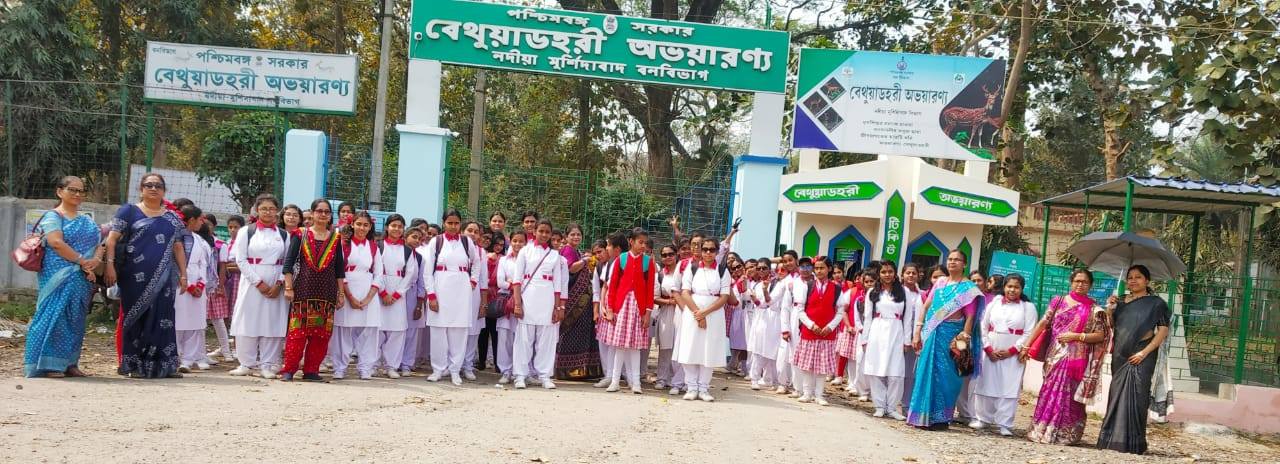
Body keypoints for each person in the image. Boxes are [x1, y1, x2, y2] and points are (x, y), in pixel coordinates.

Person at [103, 173, 188, 379]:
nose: (153, 188)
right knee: (136, 318)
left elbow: (178, 247)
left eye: (158, 185)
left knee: (163, 318)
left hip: (165, 278)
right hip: (133, 276)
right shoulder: (129, 211)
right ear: (141, 189)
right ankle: (133, 366)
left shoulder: (172, 218)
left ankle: (164, 365)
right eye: (148, 185)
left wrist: (184, 275)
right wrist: (110, 266)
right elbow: (112, 240)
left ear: (164, 191)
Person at [23, 176, 102, 378]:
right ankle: (46, 365)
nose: (77, 194)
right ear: (60, 191)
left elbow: (99, 244)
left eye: (81, 191)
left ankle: (69, 363)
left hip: (82, 276)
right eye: (72, 189)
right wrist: (81, 261)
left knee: (75, 318)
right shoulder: (53, 216)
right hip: (57, 274)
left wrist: (95, 261)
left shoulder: (86, 220)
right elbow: (56, 243)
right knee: (54, 316)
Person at [1024, 269, 1110, 445]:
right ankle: (1042, 429)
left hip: (1078, 360)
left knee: (1071, 396)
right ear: (1071, 282)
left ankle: (1066, 434)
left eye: (1085, 282)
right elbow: (1043, 322)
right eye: (1077, 281)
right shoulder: (1058, 301)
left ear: (1090, 285)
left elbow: (1101, 335)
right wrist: (1027, 345)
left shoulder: (1095, 309)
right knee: (1049, 391)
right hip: (1054, 356)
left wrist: (1076, 336)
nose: (1080, 284)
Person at [1097, 265, 1171, 454]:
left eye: (1138, 277)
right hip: (1120, 355)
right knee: (1116, 396)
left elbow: (1163, 331)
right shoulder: (1120, 301)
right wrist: (1110, 310)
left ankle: (1134, 444)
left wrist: (1144, 353)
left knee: (1138, 397)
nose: (1133, 280)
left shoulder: (1157, 303)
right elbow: (1112, 326)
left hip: (1142, 355)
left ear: (1147, 280)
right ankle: (1111, 440)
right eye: (1130, 277)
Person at [906, 250, 983, 429]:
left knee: (949, 377)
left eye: (957, 260)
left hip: (953, 337)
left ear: (964, 264)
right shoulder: (940, 282)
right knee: (925, 373)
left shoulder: (969, 289)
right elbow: (926, 307)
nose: (952, 262)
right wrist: (918, 332)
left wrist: (964, 340)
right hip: (931, 333)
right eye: (950, 259)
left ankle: (941, 419)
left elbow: (970, 317)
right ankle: (921, 417)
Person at [277, 199, 345, 382]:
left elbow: (339, 269)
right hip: (303, 291)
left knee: (321, 334)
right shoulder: (300, 234)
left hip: (326, 293)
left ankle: (311, 371)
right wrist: (289, 287)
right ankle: (289, 370)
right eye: (319, 211)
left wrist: (341, 293)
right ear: (313, 213)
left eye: (326, 212)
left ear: (330, 216)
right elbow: (288, 263)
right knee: (297, 332)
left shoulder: (335, 238)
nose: (323, 214)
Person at [227, 194, 289, 379]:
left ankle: (267, 364)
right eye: (264, 209)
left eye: (271, 209)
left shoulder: (283, 234)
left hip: (276, 281)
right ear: (256, 210)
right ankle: (246, 363)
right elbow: (241, 259)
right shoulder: (246, 231)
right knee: (248, 319)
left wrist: (279, 283)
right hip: (252, 281)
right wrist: (258, 283)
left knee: (273, 321)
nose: (268, 212)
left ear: (277, 211)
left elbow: (287, 261)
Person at [973, 273, 1037, 435]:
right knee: (986, 382)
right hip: (992, 348)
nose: (1012, 290)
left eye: (1016, 287)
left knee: (1009, 386)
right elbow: (983, 325)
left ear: (1022, 289)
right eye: (1009, 286)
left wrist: (1012, 350)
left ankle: (1004, 423)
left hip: (1013, 352)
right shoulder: (995, 302)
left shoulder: (1028, 307)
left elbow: (1029, 332)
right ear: (1004, 287)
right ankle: (983, 418)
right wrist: (988, 349)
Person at [423, 209, 482, 386]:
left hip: (461, 288)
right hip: (441, 285)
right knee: (438, 331)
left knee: (459, 330)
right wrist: (431, 295)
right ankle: (438, 369)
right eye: (450, 222)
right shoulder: (436, 242)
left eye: (456, 223)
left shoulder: (466, 242)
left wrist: (473, 281)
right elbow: (427, 271)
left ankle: (455, 369)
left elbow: (476, 262)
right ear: (444, 223)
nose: (453, 226)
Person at [511, 219, 567, 390]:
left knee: (546, 340)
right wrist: (518, 304)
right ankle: (520, 375)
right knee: (524, 339)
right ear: (534, 231)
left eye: (547, 232)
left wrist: (557, 307)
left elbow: (558, 284)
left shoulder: (554, 255)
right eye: (541, 231)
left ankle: (544, 375)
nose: (544, 234)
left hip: (547, 297)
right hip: (528, 297)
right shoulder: (525, 251)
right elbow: (517, 280)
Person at [675, 237, 732, 402]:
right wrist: (697, 313)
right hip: (692, 312)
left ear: (716, 252)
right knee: (690, 347)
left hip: (713, 313)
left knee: (709, 350)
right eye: (705, 249)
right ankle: (691, 387)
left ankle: (704, 388)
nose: (708, 253)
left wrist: (705, 313)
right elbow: (685, 292)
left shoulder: (722, 270)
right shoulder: (692, 268)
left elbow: (724, 296)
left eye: (711, 250)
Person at [861, 261, 919, 419]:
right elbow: (867, 317)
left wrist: (907, 340)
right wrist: (865, 339)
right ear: (879, 274)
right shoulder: (872, 292)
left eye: (890, 271)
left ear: (895, 273)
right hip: (877, 331)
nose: (887, 275)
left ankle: (892, 407)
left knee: (896, 373)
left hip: (896, 331)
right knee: (877, 370)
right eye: (883, 272)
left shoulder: (904, 292)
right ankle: (879, 406)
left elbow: (908, 317)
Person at [601, 228, 656, 394]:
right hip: (622, 306)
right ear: (631, 241)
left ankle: (636, 382)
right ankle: (615, 381)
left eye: (645, 243)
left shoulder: (648, 262)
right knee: (620, 346)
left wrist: (647, 313)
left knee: (635, 347)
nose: (643, 246)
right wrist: (610, 309)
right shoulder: (621, 259)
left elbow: (650, 289)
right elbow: (613, 286)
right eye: (640, 242)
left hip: (638, 308)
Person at [330, 211, 383, 380]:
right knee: (343, 330)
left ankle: (366, 367)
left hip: (368, 290)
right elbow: (340, 271)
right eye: (359, 224)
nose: (362, 228)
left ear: (370, 227)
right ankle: (339, 367)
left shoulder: (373, 247)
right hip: (347, 288)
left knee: (369, 330)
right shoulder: (343, 244)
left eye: (366, 225)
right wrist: (350, 297)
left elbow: (379, 274)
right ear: (352, 224)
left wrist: (368, 298)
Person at [792, 256, 843, 406]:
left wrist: (830, 327)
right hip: (809, 332)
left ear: (829, 269)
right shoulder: (807, 286)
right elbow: (800, 310)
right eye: (817, 268)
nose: (819, 271)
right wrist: (811, 325)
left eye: (822, 268)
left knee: (822, 366)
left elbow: (840, 312)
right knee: (807, 365)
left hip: (827, 333)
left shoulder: (836, 289)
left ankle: (819, 394)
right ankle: (807, 393)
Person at [555, 226, 603, 380]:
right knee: (570, 333)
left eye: (578, 234)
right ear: (566, 237)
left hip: (582, 301)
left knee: (581, 334)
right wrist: (585, 260)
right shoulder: (568, 250)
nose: (576, 237)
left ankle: (579, 368)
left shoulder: (576, 251)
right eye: (572, 234)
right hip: (574, 301)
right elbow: (571, 269)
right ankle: (567, 369)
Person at [375, 214, 417, 379]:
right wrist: (383, 292)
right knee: (377, 330)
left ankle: (391, 366)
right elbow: (375, 269)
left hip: (398, 293)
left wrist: (397, 294)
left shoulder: (407, 251)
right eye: (394, 225)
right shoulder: (378, 246)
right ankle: (373, 364)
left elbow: (410, 274)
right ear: (387, 227)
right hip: (380, 289)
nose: (397, 229)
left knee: (397, 331)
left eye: (400, 226)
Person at [175, 205, 212, 372]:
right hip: (180, 287)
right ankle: (175, 356)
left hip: (198, 288)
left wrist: (201, 284)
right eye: (200, 219)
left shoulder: (199, 240)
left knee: (194, 324)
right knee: (178, 322)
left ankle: (188, 359)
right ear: (191, 220)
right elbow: (174, 264)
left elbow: (204, 264)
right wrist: (188, 285)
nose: (202, 222)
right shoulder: (176, 237)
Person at [493, 231, 529, 384]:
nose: (517, 244)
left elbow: (529, 282)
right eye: (515, 240)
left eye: (521, 241)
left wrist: (513, 283)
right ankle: (506, 371)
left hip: (525, 301)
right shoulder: (503, 260)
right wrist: (516, 285)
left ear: (526, 243)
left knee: (522, 338)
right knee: (504, 337)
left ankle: (520, 371)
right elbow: (500, 282)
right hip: (506, 302)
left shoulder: (529, 260)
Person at [209, 214, 244, 363]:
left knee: (237, 313)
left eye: (236, 227)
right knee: (225, 314)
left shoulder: (244, 243)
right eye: (230, 227)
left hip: (237, 281)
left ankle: (237, 347)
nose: (233, 230)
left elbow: (242, 264)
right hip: (226, 282)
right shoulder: (227, 243)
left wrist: (227, 267)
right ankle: (225, 345)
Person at [591, 233, 624, 389]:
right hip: (604, 309)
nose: (598, 255)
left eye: (601, 251)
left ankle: (615, 374)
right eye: (595, 253)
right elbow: (598, 290)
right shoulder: (600, 267)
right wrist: (597, 310)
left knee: (614, 343)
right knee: (604, 343)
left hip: (616, 308)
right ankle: (607, 374)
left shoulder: (618, 263)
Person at [838, 269, 875, 399]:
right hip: (860, 332)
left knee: (872, 361)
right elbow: (855, 316)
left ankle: (870, 390)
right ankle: (857, 386)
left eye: (872, 281)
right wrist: (859, 327)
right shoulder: (859, 298)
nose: (869, 284)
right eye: (867, 281)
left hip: (876, 334)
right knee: (858, 359)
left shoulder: (880, 298)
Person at [747, 259, 781, 391]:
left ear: (769, 269)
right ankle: (754, 378)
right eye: (759, 268)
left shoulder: (776, 283)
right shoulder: (756, 285)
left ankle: (770, 379)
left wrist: (759, 298)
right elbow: (759, 304)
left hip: (774, 319)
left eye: (764, 268)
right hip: (760, 319)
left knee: (772, 350)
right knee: (758, 349)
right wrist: (755, 300)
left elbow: (769, 303)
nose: (761, 271)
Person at [653, 244, 683, 391]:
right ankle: (662, 378)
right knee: (665, 347)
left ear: (676, 255)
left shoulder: (684, 273)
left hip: (682, 312)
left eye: (671, 254)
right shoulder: (659, 275)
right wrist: (670, 302)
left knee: (680, 345)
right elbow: (654, 297)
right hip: (666, 312)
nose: (668, 257)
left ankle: (678, 379)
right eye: (664, 255)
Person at [398, 227, 428, 376]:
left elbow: (421, 281)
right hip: (396, 293)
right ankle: (391, 362)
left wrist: (419, 304)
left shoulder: (420, 258)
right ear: (405, 236)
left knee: (411, 332)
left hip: (412, 294)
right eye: (414, 237)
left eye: (419, 239)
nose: (417, 240)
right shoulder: (397, 252)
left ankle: (406, 364)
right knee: (395, 330)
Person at [461, 221, 489, 380]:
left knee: (473, 331)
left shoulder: (481, 252)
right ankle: (452, 364)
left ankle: (467, 365)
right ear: (462, 231)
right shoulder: (455, 248)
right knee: (455, 329)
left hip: (474, 294)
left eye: (476, 231)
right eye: (469, 230)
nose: (472, 234)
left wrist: (483, 303)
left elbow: (483, 279)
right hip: (456, 293)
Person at [773, 250, 801, 395]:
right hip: (789, 318)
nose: (788, 263)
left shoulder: (808, 278)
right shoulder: (785, 280)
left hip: (804, 319)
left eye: (790, 260)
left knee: (799, 353)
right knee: (784, 353)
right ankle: (783, 383)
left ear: (797, 260)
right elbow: (774, 301)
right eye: (785, 261)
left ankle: (798, 386)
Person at [900, 263, 924, 408]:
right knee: (896, 370)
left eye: (913, 273)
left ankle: (907, 403)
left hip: (915, 338)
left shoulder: (922, 294)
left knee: (911, 372)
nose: (910, 275)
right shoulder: (897, 293)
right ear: (902, 275)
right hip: (898, 335)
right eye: (908, 273)